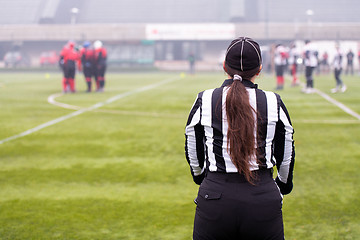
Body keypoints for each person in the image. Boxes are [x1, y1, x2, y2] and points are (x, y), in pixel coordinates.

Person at [185, 37, 295, 240]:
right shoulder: (273, 101)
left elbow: (192, 139)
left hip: (216, 195)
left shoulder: (205, 98)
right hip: (261, 195)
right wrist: (283, 184)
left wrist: (200, 177)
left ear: (225, 66)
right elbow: (286, 149)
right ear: (259, 68)